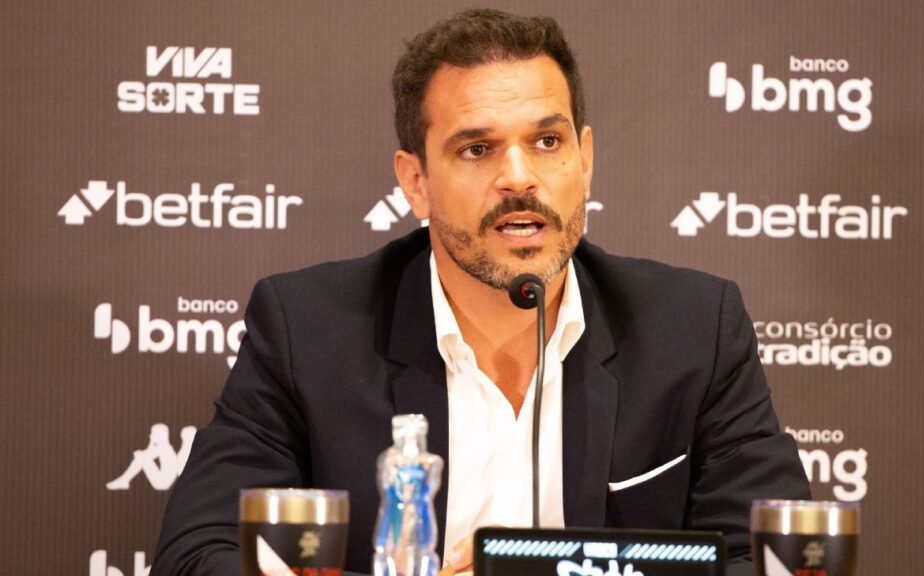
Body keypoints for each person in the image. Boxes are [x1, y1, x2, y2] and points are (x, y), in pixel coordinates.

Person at [151, 9, 809, 576]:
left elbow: (775, 560)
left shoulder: (691, 329)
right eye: (476, 149)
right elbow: (197, 554)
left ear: (584, 161)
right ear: (415, 182)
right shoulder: (311, 330)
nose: (519, 177)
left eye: (546, 141)